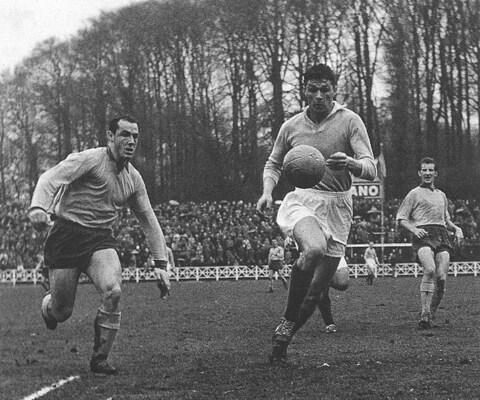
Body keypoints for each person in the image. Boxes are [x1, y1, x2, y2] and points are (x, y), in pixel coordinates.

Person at [28, 116, 171, 374]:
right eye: (125, 134)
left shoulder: (133, 179)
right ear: (110, 137)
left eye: (135, 137)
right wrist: (38, 206)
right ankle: (48, 306)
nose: (130, 141)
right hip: (67, 234)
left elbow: (148, 218)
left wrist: (161, 263)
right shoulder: (90, 160)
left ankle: (100, 358)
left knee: (113, 290)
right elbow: (50, 177)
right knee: (62, 311)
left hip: (100, 239)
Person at [256, 63, 376, 363]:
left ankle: (283, 341)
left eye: (325, 89)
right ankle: (287, 318)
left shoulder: (350, 122)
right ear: (304, 91)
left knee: (314, 296)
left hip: (339, 205)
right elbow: (273, 164)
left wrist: (350, 163)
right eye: (313, 89)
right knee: (313, 249)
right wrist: (268, 192)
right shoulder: (292, 126)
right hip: (303, 201)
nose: (319, 95)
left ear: (334, 90)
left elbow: (371, 168)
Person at [396, 157, 463, 329]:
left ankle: (431, 312)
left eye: (430, 170)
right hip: (423, 234)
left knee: (441, 277)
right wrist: (414, 229)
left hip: (441, 234)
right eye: (424, 170)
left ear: (435, 173)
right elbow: (401, 218)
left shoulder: (442, 195)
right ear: (419, 173)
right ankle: (424, 314)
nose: (427, 173)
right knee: (430, 269)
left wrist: (457, 229)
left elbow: (446, 220)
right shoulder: (414, 193)